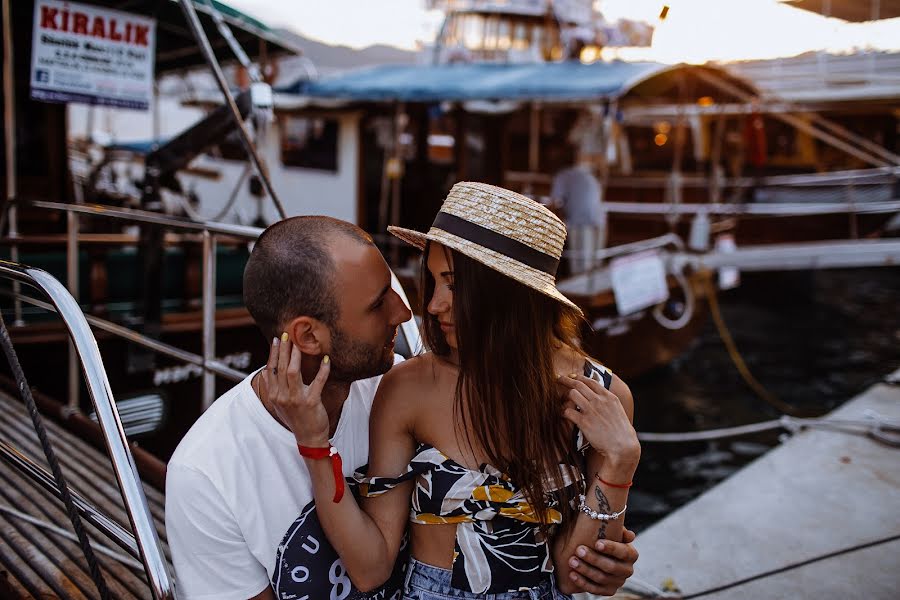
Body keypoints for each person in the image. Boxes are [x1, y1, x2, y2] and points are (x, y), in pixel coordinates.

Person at [164, 214, 639, 599]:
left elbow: (577, 573)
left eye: (447, 284)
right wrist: (314, 444)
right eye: (379, 305)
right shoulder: (205, 473)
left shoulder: (598, 399)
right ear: (309, 335)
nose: (415, 311)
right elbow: (373, 568)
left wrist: (618, 473)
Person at [551, 158, 606, 275]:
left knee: (580, 265)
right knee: (594, 262)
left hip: (580, 220)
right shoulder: (585, 174)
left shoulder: (562, 176)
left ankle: (579, 290)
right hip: (598, 218)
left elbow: (555, 202)